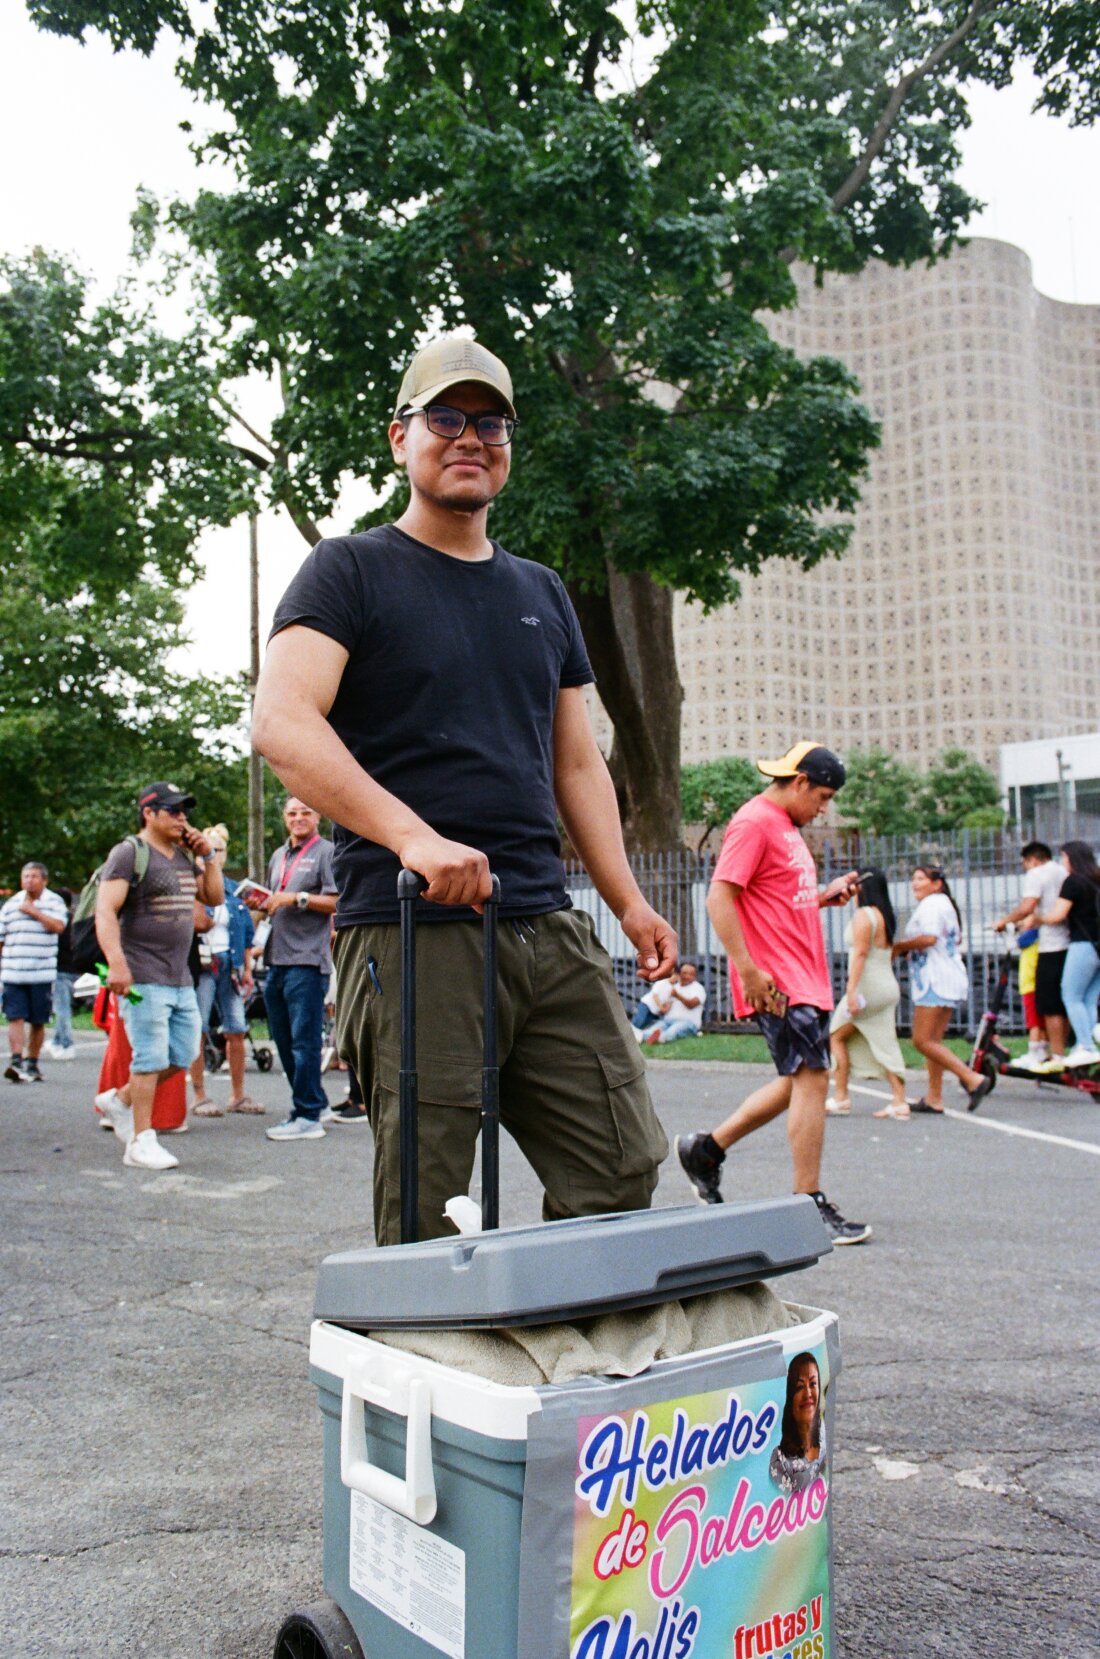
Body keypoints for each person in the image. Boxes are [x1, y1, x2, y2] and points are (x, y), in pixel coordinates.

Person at [252, 333, 675, 1243]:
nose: (469, 437)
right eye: (446, 417)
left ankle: (566, 1368)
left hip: (545, 923)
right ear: (400, 436)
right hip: (413, 928)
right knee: (430, 1200)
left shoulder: (543, 591)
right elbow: (283, 721)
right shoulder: (349, 569)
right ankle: (430, 1382)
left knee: (621, 1162)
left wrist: (629, 902)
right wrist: (414, 838)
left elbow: (576, 763)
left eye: (492, 423)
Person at [675, 743, 870, 1245]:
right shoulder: (755, 822)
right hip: (780, 980)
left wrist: (824, 896)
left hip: (805, 977)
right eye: (823, 796)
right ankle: (808, 1202)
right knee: (812, 1076)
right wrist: (748, 970)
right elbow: (721, 895)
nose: (824, 808)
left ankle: (706, 1151)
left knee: (796, 1082)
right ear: (800, 781)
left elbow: (778, 900)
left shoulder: (785, 829)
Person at [93, 783, 224, 1171]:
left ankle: (120, 1100)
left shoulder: (184, 856)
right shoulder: (129, 852)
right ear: (149, 813)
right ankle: (140, 1141)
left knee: (184, 1053)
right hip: (142, 973)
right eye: (173, 810)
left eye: (184, 810)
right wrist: (117, 964)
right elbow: (105, 911)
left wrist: (209, 857)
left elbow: (214, 899)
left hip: (179, 975)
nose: (182, 816)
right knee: (149, 1056)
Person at [251, 799, 338, 1140]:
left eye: (306, 812)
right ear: (284, 818)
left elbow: (337, 900)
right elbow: (275, 900)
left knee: (304, 1043)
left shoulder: (327, 852)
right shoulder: (278, 855)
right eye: (292, 813)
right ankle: (316, 1102)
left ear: (318, 816)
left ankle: (306, 1116)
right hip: (276, 958)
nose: (299, 818)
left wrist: (297, 898)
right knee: (283, 1040)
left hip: (307, 960)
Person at [892, 864, 991, 1113]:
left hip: (935, 978)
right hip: (946, 976)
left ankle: (971, 1078)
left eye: (921, 879)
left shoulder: (933, 904)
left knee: (922, 1040)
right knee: (934, 1041)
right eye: (913, 879)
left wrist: (899, 947)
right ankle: (934, 1098)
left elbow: (929, 938)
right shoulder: (943, 903)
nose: (915, 883)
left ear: (936, 883)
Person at [190, 825, 264, 1117]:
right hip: (203, 965)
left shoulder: (235, 891)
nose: (211, 856)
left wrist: (246, 968)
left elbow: (246, 935)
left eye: (217, 850)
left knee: (236, 1028)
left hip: (231, 965)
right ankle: (199, 1094)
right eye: (205, 851)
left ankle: (237, 1094)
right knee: (197, 1028)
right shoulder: (192, 887)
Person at [827, 869, 912, 1120]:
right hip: (886, 985)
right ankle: (898, 1100)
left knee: (836, 1036)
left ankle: (841, 1097)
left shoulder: (864, 916)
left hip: (868, 988)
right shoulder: (885, 916)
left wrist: (851, 991)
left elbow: (861, 954)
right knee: (883, 1041)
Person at [993, 841, 1069, 1071]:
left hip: (1048, 944)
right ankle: (1057, 1051)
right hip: (1066, 941)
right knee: (1060, 1002)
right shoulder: (1063, 873)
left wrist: (1005, 921)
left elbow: (1028, 907)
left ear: (1032, 859)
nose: (1026, 868)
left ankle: (1049, 1054)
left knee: (1045, 1003)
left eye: (1025, 864)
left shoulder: (1037, 873)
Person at [0, 862, 68, 1083]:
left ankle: (33, 1062)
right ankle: (16, 1061)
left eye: (34, 876)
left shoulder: (54, 902)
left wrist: (34, 912)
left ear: (44, 880)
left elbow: (59, 927)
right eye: (25, 876)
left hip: (41, 973)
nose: (29, 880)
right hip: (14, 972)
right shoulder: (11, 904)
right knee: (15, 1017)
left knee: (38, 1020)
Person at [1035, 840, 1100, 1066]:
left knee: (1071, 995)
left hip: (1083, 944)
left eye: (1063, 858)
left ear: (1072, 858)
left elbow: (1057, 915)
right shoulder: (1096, 880)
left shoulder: (1073, 882)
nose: (1062, 863)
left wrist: (1037, 918)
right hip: (1098, 945)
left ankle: (1087, 1046)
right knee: (1089, 999)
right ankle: (1088, 1044)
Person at [769, 1352, 827, 1495]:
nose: (808, 1394)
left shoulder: (823, 1432)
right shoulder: (780, 1459)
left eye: (813, 1384)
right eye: (800, 1387)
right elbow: (782, 1507)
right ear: (790, 1396)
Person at [45, 887, 78, 1062]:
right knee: (63, 1006)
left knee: (62, 1008)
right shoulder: (74, 919)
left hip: (61, 968)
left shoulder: (58, 920)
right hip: (74, 968)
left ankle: (65, 1042)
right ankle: (58, 1039)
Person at [641, 961, 707, 1045]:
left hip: (688, 1022)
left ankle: (660, 1038)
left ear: (695, 976)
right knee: (653, 1029)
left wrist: (677, 996)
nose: (687, 976)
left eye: (691, 974)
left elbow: (692, 1005)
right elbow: (666, 1005)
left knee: (674, 1030)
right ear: (679, 974)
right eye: (684, 973)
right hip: (668, 1021)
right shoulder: (674, 987)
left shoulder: (698, 988)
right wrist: (663, 1009)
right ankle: (641, 1037)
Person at [631, 968, 678, 1036]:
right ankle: (629, 1034)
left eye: (676, 976)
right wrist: (661, 1007)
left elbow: (670, 1002)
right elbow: (655, 996)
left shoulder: (674, 989)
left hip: (655, 1011)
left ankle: (636, 1036)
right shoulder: (662, 982)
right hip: (647, 1005)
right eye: (673, 975)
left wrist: (665, 1010)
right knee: (639, 1020)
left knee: (644, 1024)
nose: (674, 978)